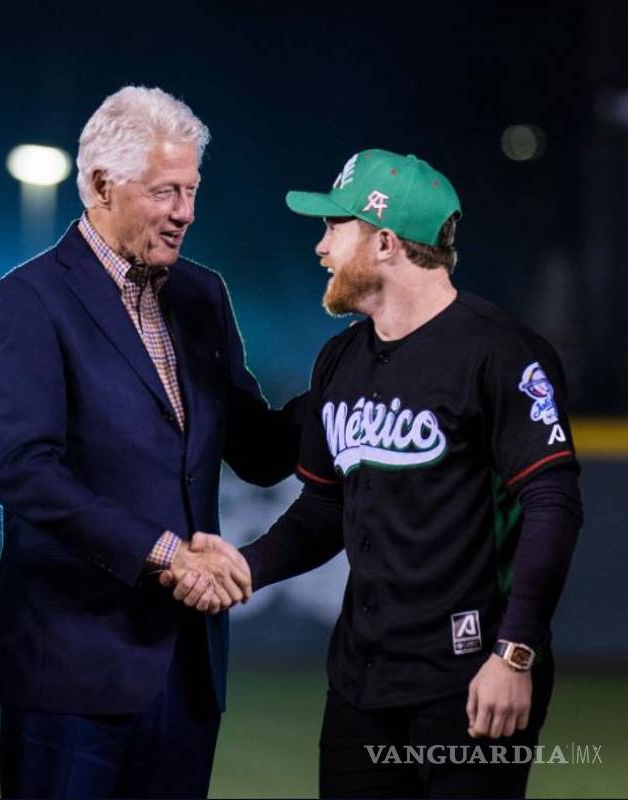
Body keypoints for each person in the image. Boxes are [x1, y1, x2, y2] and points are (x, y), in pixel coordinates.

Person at [0, 86, 304, 799]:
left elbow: (261, 450)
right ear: (100, 184)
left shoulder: (202, 296)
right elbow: (25, 472)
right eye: (165, 191)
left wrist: (357, 372)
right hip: (70, 670)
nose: (185, 212)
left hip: (185, 668)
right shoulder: (27, 300)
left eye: (191, 190)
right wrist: (165, 556)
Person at [237, 149, 584, 798]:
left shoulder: (499, 351)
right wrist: (245, 566)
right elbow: (320, 509)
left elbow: (551, 504)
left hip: (472, 675)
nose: (321, 247)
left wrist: (515, 653)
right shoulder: (341, 359)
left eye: (335, 227)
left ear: (387, 242)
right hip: (361, 682)